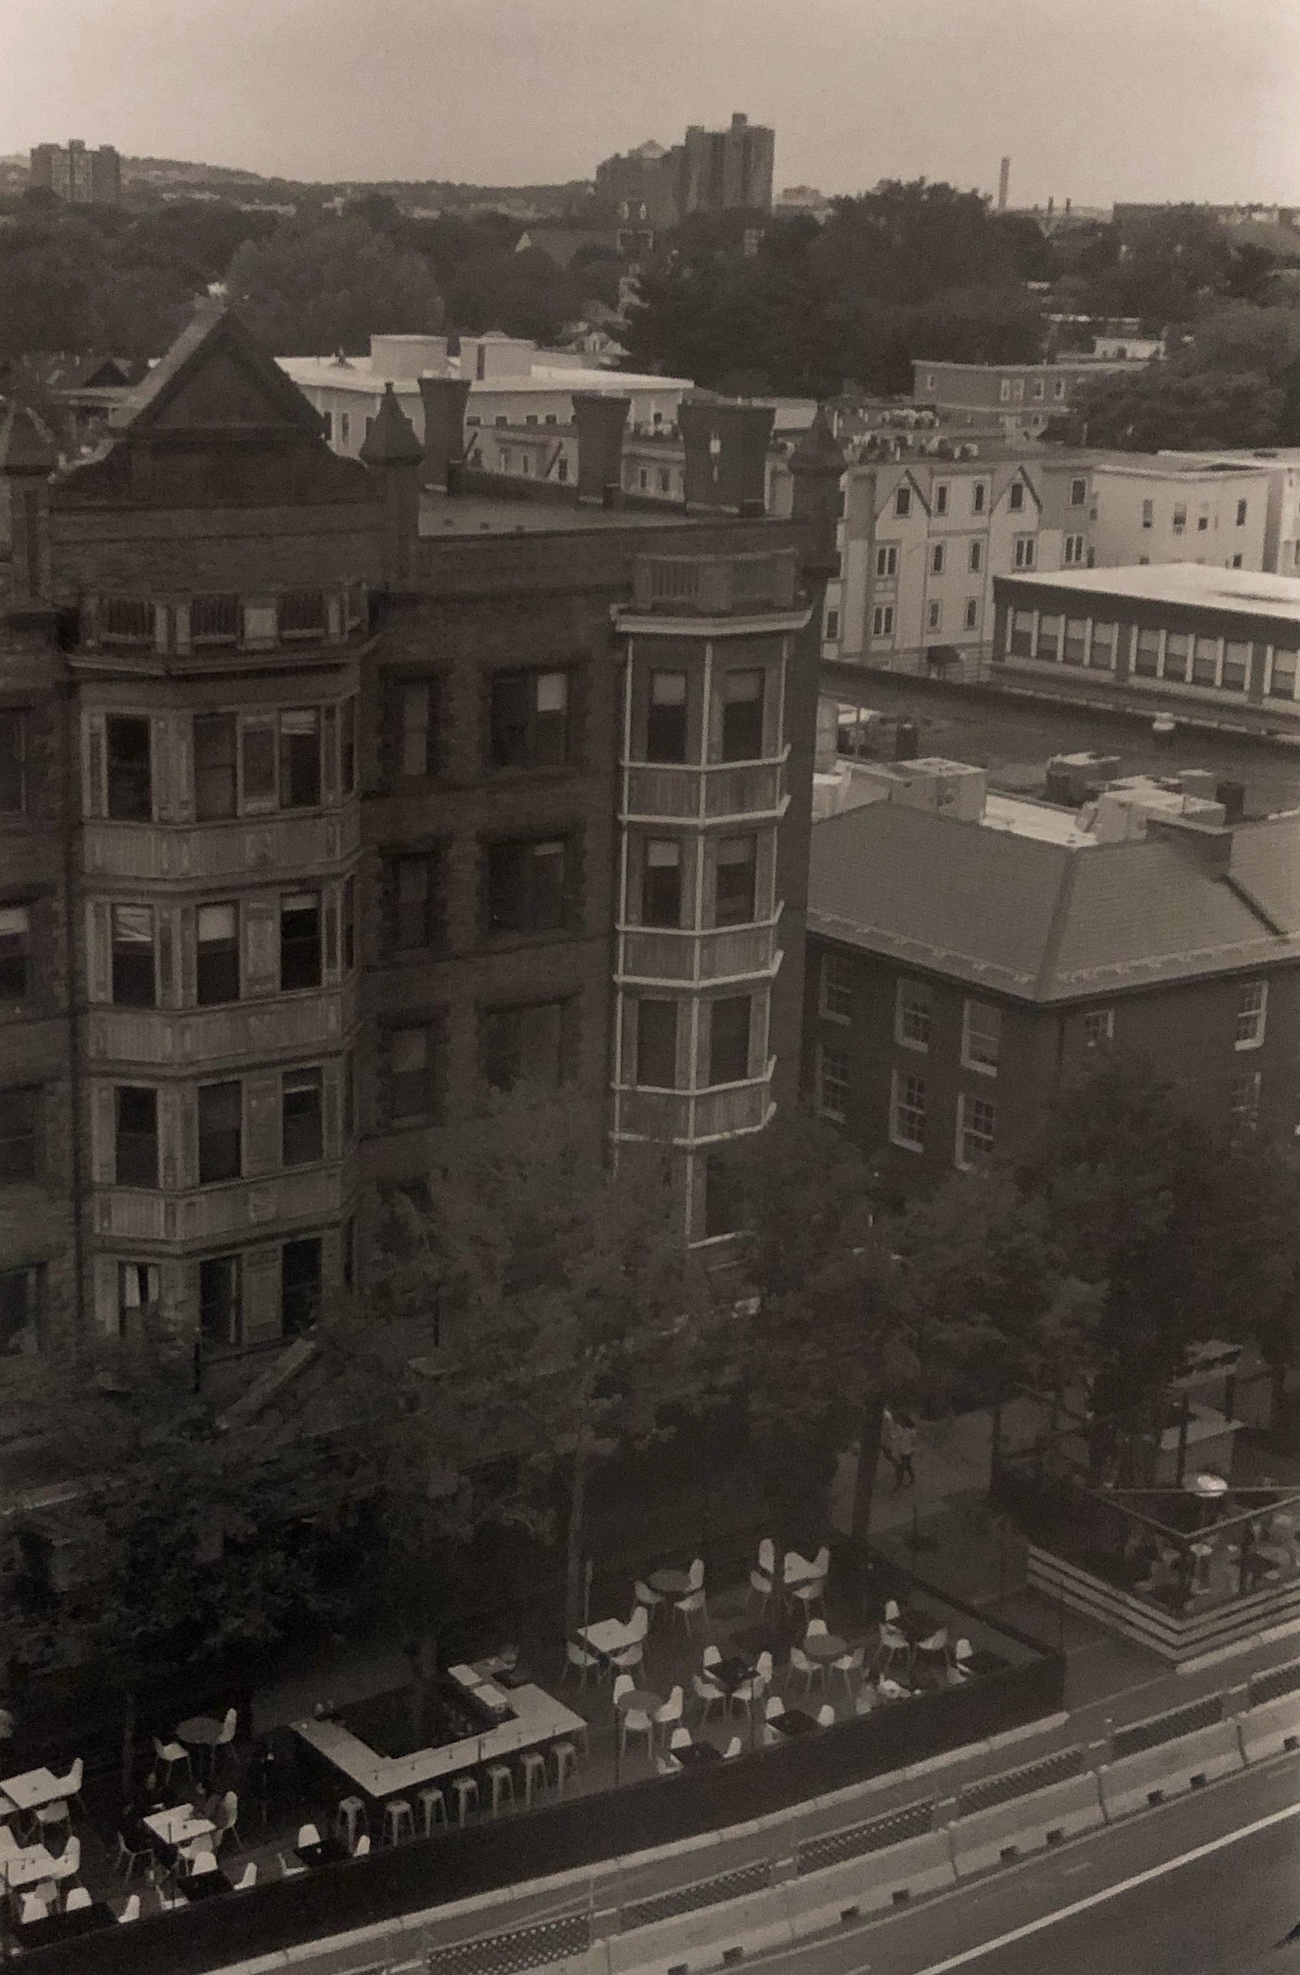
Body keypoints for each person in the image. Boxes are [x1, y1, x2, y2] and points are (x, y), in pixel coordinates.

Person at [892, 1412, 918, 1490]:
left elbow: (914, 1442)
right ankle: (912, 1477)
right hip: (901, 1452)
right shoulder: (899, 1428)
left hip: (907, 1453)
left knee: (900, 1469)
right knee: (906, 1466)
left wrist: (913, 1451)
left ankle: (898, 1484)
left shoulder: (911, 1432)